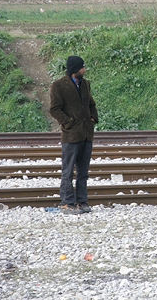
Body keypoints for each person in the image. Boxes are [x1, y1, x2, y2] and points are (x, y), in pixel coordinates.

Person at [49, 56, 98, 215]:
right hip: (71, 135)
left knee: (83, 172)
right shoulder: (59, 86)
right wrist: (68, 123)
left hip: (86, 134)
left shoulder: (86, 84)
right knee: (68, 171)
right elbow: (55, 109)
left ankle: (81, 201)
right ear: (74, 69)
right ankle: (67, 202)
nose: (84, 70)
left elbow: (91, 103)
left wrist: (93, 118)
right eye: (82, 67)